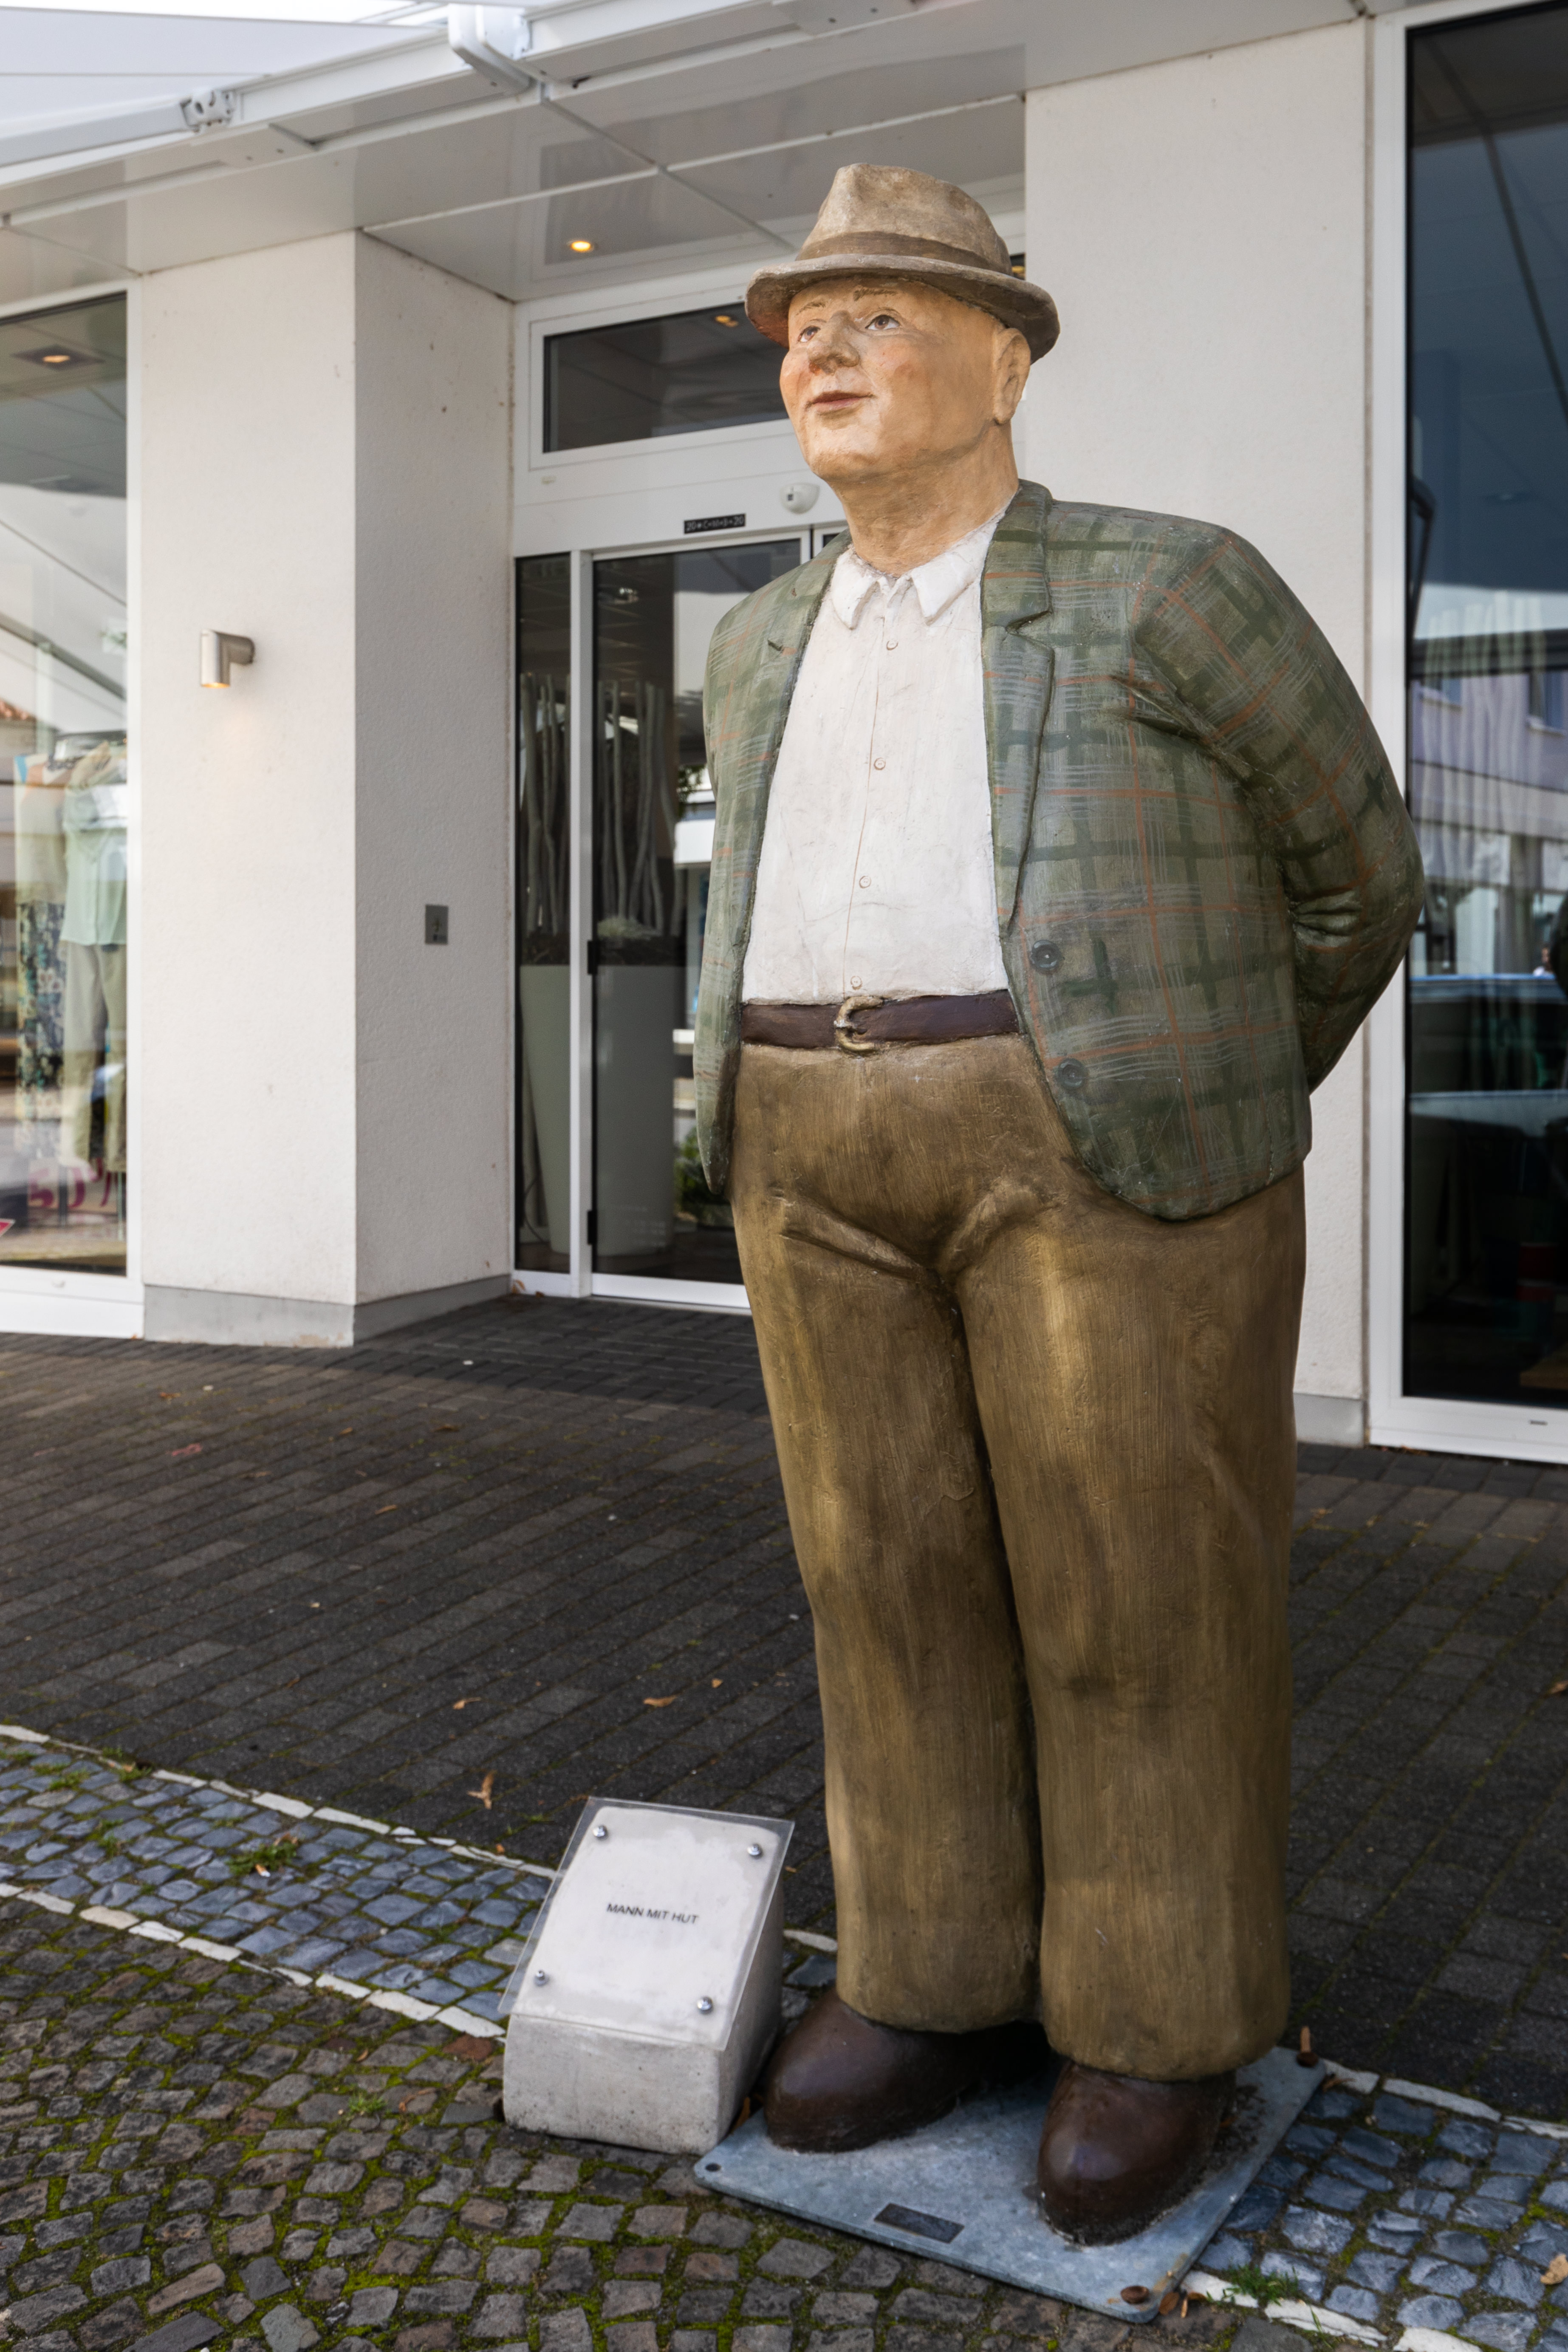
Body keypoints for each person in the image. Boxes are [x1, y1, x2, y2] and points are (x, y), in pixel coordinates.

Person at [695, 164, 1424, 2242]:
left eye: (878, 317)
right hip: (806, 1138)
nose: (822, 355)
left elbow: (1355, 871)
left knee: (1135, 1591)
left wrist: (1193, 1077)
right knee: (879, 1577)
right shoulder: (756, 636)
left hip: (1093, 1143)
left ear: (1004, 361)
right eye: (803, 329)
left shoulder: (1165, 586)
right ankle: (925, 1975)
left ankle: (1153, 2019)